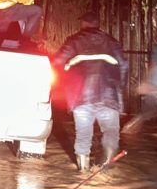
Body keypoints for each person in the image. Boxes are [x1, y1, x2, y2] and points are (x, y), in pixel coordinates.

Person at [53, 11, 128, 172]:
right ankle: (104, 168)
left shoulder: (73, 41)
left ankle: (82, 171)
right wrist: (119, 86)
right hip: (108, 96)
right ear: (97, 24)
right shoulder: (111, 42)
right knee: (111, 131)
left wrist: (65, 81)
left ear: (83, 24)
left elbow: (57, 62)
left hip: (80, 97)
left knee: (83, 135)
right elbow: (123, 64)